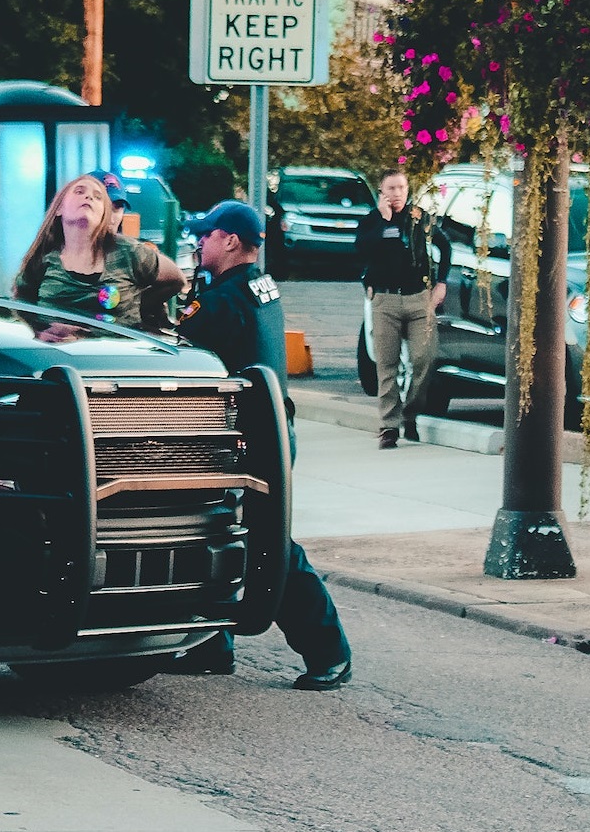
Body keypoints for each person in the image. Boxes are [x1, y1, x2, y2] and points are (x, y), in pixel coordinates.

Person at [171, 199, 352, 692]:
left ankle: (328, 651)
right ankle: (211, 644)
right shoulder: (258, 287)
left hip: (252, 442)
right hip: (265, 433)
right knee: (214, 532)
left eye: (206, 236)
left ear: (230, 240)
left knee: (269, 547)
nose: (199, 243)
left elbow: (179, 344)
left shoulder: (226, 299)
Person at [356, 168, 452, 449]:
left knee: (424, 358)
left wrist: (441, 282)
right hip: (385, 301)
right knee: (387, 365)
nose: (397, 193)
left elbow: (445, 247)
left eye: (401, 188)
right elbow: (361, 251)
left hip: (418, 299)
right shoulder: (371, 222)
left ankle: (410, 414)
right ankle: (389, 426)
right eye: (391, 189)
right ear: (381, 193)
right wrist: (383, 220)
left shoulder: (419, 218)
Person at [14, 174, 185, 330]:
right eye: (79, 191)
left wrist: (136, 304)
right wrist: (38, 331)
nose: (88, 197)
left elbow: (175, 280)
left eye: (98, 197)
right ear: (59, 208)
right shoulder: (44, 256)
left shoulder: (130, 252)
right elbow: (22, 301)